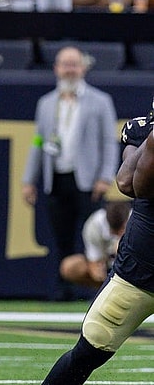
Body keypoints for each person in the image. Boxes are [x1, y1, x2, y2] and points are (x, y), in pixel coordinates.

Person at [39, 109, 154, 385]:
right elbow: (129, 184)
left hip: (140, 263)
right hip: (140, 269)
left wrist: (138, 145)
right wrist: (141, 146)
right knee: (93, 344)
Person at [21, 46, 119, 301]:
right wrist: (28, 180)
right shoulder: (46, 103)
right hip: (57, 176)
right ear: (56, 68)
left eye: (74, 64)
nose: (69, 69)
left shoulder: (100, 101)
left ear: (83, 68)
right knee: (61, 235)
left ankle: (97, 287)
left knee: (94, 235)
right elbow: (38, 143)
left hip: (87, 179)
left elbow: (109, 142)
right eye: (65, 65)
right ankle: (64, 286)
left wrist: (105, 177)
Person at [59, 200, 131, 289]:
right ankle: (104, 292)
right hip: (107, 266)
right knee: (69, 267)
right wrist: (99, 274)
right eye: (114, 232)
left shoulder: (138, 223)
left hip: (132, 268)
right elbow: (94, 262)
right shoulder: (94, 224)